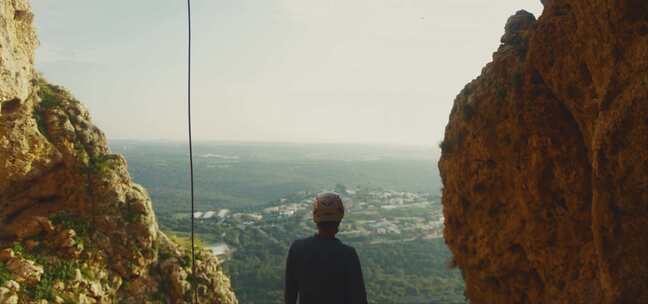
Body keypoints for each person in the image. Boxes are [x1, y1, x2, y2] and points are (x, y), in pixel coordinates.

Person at [284, 192, 368, 304]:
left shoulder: (297, 249)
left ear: (315, 217)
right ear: (340, 217)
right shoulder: (348, 254)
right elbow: (359, 298)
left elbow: (290, 294)